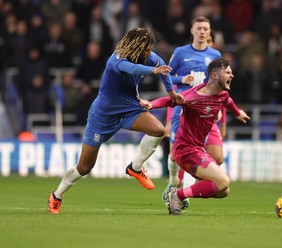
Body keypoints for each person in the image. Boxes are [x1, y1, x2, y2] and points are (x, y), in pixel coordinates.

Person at [47, 28, 184, 214]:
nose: (149, 53)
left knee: (158, 130)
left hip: (129, 108)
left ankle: (135, 168)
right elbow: (132, 69)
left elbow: (164, 71)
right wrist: (153, 70)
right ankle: (57, 195)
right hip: (103, 115)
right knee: (85, 167)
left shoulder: (149, 58)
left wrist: (171, 92)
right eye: (146, 49)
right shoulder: (117, 59)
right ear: (136, 48)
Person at [141, 58, 250, 215]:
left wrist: (237, 112)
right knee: (223, 181)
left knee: (223, 191)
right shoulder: (193, 97)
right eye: (227, 72)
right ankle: (177, 195)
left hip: (198, 150)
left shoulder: (222, 95)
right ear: (214, 75)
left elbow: (228, 101)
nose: (231, 75)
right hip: (185, 150)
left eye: (231, 73)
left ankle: (181, 193)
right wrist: (151, 104)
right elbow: (169, 100)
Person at [162, 17, 223, 209]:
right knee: (174, 155)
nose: (202, 32)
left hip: (205, 110)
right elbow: (167, 76)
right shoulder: (181, 53)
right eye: (199, 29)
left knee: (215, 156)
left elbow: (219, 83)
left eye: (206, 29)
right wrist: (182, 79)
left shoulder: (215, 54)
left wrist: (219, 107)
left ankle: (184, 189)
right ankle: (175, 185)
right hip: (184, 108)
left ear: (210, 31)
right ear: (192, 30)